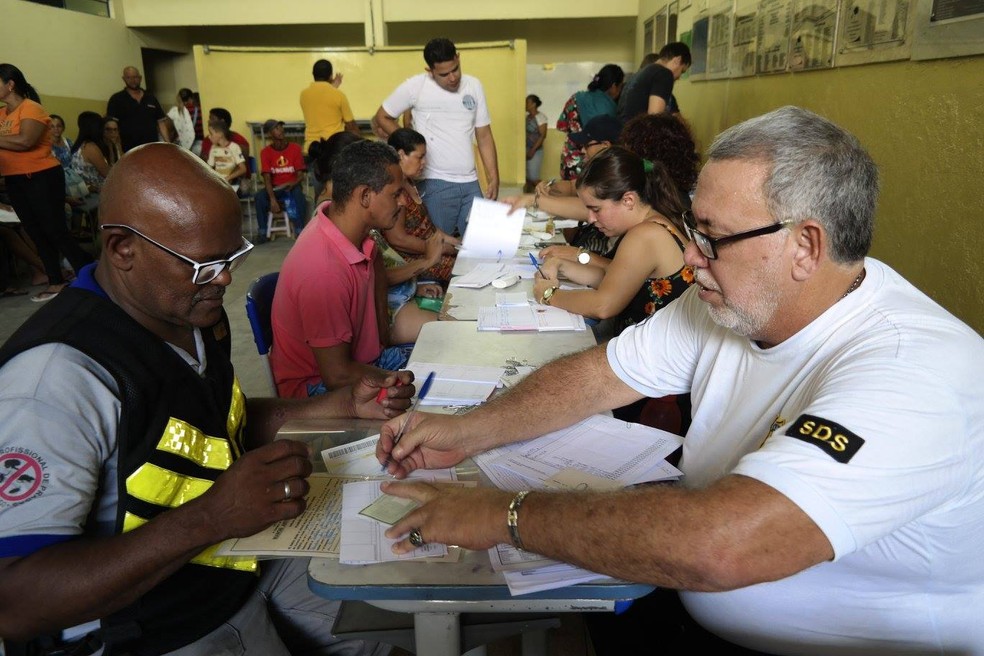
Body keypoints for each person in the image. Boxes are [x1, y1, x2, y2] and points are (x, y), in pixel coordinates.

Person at [373, 106, 984, 654]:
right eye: (693, 230)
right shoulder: (734, 297)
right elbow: (600, 375)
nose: (691, 257)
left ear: (805, 246)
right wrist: (468, 430)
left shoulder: (914, 372)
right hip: (683, 601)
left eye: (712, 238)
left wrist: (504, 516)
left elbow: (724, 544)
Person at [0, 143, 412, 655]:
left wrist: (343, 405)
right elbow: (14, 602)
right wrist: (212, 517)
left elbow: (215, 425)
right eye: (202, 265)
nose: (222, 278)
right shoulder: (54, 381)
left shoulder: (186, 315)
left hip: (237, 562)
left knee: (394, 618)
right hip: (159, 622)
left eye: (230, 257)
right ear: (123, 248)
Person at [270, 140, 434, 398]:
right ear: (365, 196)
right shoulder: (323, 269)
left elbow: (380, 326)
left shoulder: (356, 234)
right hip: (318, 390)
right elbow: (336, 375)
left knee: (444, 348)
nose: (403, 202)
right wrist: (396, 378)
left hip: (363, 362)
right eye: (395, 194)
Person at [532, 146, 691, 336]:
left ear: (628, 200)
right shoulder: (653, 223)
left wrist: (549, 295)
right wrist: (561, 265)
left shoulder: (646, 235)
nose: (590, 218)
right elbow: (616, 282)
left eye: (596, 209)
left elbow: (603, 305)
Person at [373, 37, 500, 237]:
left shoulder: (474, 86)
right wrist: (407, 143)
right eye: (444, 74)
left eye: (455, 69)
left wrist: (493, 177)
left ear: (458, 58)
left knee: (478, 243)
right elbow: (383, 116)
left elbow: (483, 136)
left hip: (471, 182)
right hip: (435, 183)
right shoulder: (416, 86)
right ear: (430, 71)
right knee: (439, 246)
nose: (452, 78)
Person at [0, 63, 94, 303]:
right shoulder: (1, 115)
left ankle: (90, 272)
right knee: (35, 232)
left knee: (54, 230)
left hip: (41, 177)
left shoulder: (31, 108)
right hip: (15, 179)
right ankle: (56, 281)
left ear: (10, 85)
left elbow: (25, 141)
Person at [383, 128, 459, 283]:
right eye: (420, 157)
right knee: (463, 271)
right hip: (412, 259)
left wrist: (454, 242)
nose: (424, 162)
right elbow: (397, 239)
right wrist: (438, 249)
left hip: (429, 251)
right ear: (401, 155)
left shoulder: (410, 183)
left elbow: (428, 226)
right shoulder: (396, 192)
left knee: (468, 258)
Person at [556, 64, 624, 180]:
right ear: (613, 86)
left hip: (569, 162)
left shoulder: (576, 97)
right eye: (621, 86)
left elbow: (561, 125)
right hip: (592, 168)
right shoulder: (611, 108)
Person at [255, 119, 306, 241]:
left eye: (281, 127)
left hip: (293, 186)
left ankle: (300, 231)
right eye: (276, 128)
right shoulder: (265, 152)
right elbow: (267, 178)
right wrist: (272, 199)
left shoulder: (295, 148)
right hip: (276, 188)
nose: (280, 130)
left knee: (299, 195)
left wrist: (292, 183)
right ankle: (263, 233)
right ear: (269, 134)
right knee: (259, 197)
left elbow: (301, 175)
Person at [618, 42, 691, 122]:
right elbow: (655, 120)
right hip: (639, 133)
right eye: (682, 71)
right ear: (677, 60)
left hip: (625, 131)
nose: (679, 77)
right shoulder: (664, 73)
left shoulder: (638, 75)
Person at [300, 58, 360, 154]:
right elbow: (351, 126)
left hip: (311, 149)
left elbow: (320, 100)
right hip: (332, 149)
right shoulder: (338, 95)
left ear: (313, 74)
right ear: (331, 76)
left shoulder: (303, 95)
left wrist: (332, 87)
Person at [106, 66, 168, 151]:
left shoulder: (151, 97)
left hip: (152, 148)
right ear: (124, 79)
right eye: (129, 77)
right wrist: (118, 151)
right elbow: (112, 128)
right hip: (129, 149)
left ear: (140, 78)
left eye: (135, 77)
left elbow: (161, 123)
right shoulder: (116, 99)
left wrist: (169, 145)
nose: (132, 80)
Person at [70, 110, 112, 194]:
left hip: (86, 190)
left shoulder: (80, 145)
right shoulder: (91, 147)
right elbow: (109, 174)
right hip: (96, 193)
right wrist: (111, 145)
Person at [205, 119, 247, 191]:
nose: (209, 136)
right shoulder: (213, 148)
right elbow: (209, 168)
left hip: (232, 183)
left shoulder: (234, 147)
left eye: (211, 133)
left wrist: (228, 178)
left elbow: (243, 169)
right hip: (218, 182)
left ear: (220, 134)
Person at [524, 94, 548, 193]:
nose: (525, 104)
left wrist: (532, 150)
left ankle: (547, 192)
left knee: (534, 177)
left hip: (536, 150)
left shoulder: (541, 117)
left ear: (533, 104)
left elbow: (542, 135)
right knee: (527, 177)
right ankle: (530, 197)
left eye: (527, 102)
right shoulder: (527, 117)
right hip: (526, 148)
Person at [166, 87, 199, 152]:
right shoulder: (197, 109)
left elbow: (168, 127)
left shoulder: (174, 111)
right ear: (190, 98)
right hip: (194, 142)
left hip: (179, 142)